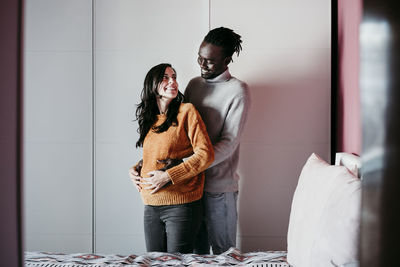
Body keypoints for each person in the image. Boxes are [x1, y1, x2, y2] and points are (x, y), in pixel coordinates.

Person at [128, 63, 214, 253]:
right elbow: (156, 154)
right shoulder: (150, 117)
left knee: (176, 263)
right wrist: (135, 169)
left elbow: (206, 154)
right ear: (153, 84)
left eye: (174, 76)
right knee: (154, 261)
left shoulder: (187, 111)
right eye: (165, 77)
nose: (172, 81)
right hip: (150, 205)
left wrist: (168, 176)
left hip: (181, 205)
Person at [184, 27, 251, 254]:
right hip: (189, 187)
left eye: (210, 61)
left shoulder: (238, 91)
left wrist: (190, 165)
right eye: (200, 58)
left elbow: (229, 142)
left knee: (225, 254)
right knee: (195, 254)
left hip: (219, 188)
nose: (202, 65)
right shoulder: (193, 85)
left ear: (227, 60)